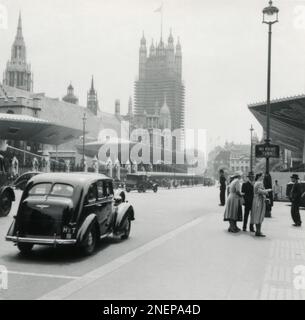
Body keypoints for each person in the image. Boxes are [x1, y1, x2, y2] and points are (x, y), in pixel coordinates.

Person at [251, 173, 272, 237]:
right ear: (259, 176)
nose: (263, 177)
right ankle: (258, 231)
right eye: (262, 176)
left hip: (256, 200)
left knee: (257, 215)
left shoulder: (256, 182)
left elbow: (259, 191)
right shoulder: (259, 183)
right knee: (259, 215)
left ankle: (258, 231)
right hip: (259, 201)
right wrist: (267, 191)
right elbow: (260, 191)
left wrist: (265, 191)